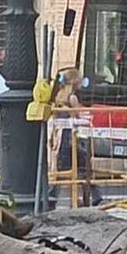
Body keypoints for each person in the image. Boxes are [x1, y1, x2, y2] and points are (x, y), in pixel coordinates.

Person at [52, 69, 97, 206]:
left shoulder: (59, 96)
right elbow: (77, 114)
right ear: (75, 82)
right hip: (72, 139)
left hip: (62, 138)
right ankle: (92, 198)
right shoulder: (72, 98)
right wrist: (88, 115)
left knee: (64, 171)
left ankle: (56, 199)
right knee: (83, 168)